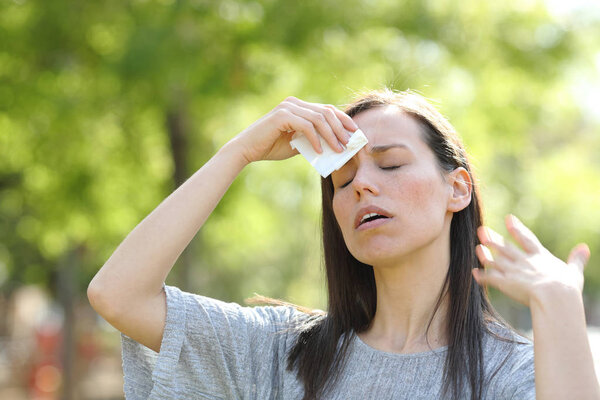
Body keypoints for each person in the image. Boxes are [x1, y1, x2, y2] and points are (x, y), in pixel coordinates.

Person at [88, 89, 600, 400]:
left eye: (391, 163)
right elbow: (118, 295)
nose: (361, 185)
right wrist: (240, 152)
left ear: (457, 188)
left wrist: (559, 304)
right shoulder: (284, 352)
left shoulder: (513, 373)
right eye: (342, 178)